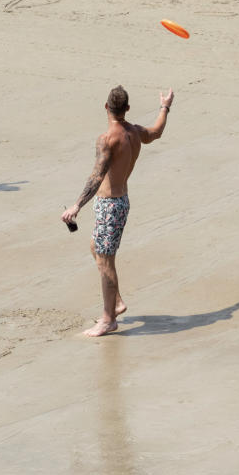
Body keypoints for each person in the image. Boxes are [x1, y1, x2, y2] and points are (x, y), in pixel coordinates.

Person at [61, 83, 174, 337]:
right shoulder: (134, 132)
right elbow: (156, 132)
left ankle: (108, 318)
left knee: (106, 261)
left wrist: (76, 205)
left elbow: (97, 176)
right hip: (121, 202)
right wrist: (164, 107)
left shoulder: (107, 139)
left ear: (106, 107)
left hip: (109, 206)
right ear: (127, 108)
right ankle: (117, 302)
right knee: (97, 249)